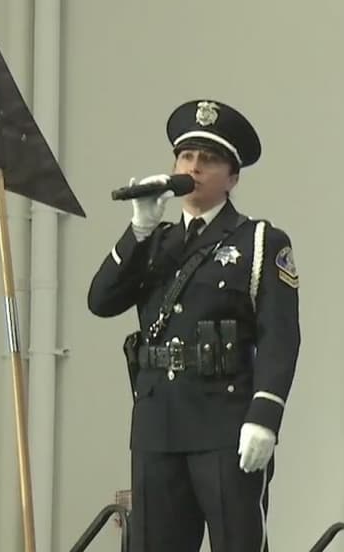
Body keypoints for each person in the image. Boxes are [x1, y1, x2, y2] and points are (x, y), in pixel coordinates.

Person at [88, 99, 300, 552]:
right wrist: (138, 229)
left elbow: (280, 336)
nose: (194, 167)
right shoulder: (155, 241)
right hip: (157, 422)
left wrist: (265, 416)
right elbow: (100, 301)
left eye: (209, 159)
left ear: (233, 178)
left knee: (237, 542)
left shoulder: (258, 241)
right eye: (185, 156)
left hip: (224, 423)